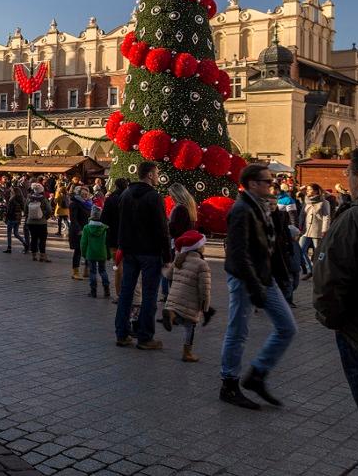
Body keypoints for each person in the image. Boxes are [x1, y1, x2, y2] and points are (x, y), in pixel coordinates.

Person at [313, 144, 358, 471]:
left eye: (348, 173)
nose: (346, 178)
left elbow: (329, 282)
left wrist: (333, 319)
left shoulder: (356, 219)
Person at [219, 163, 297, 410]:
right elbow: (239, 254)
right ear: (252, 184)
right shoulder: (242, 210)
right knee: (238, 331)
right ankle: (229, 384)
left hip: (264, 277)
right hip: (245, 278)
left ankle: (257, 374)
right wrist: (255, 288)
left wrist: (281, 275)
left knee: (287, 327)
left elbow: (270, 246)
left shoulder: (263, 207)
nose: (272, 185)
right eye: (267, 182)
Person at [114, 161, 170, 351]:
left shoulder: (125, 194)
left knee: (126, 293)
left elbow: (119, 223)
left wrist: (121, 246)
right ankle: (145, 337)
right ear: (149, 175)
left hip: (130, 251)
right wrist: (167, 255)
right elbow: (162, 228)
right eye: (156, 173)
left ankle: (122, 334)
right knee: (149, 295)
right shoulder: (154, 197)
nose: (158, 176)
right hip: (150, 253)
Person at [161, 230, 214, 363]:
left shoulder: (179, 259)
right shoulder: (202, 264)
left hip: (174, 299)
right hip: (190, 301)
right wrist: (205, 306)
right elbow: (205, 289)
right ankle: (187, 353)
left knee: (180, 317)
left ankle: (172, 315)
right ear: (199, 247)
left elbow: (168, 276)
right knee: (190, 327)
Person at [299, 183, 330, 281]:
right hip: (305, 230)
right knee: (300, 250)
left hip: (318, 230)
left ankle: (319, 272)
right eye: (307, 189)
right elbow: (302, 215)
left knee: (318, 253)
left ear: (316, 191)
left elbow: (326, 217)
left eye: (309, 189)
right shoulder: (306, 201)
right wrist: (299, 226)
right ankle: (311, 270)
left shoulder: (324, 202)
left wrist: (325, 230)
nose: (307, 191)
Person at [80, 205, 110, 298]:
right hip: (102, 253)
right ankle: (106, 289)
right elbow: (107, 243)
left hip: (91, 253)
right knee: (103, 271)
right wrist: (108, 254)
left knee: (92, 272)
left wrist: (83, 253)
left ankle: (93, 291)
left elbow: (83, 242)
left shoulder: (86, 228)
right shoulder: (105, 228)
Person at [69, 185, 92, 280]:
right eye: (83, 194)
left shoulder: (88, 203)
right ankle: (75, 272)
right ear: (79, 194)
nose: (85, 196)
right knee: (78, 251)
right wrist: (79, 230)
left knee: (87, 250)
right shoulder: (75, 203)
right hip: (79, 231)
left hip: (87, 229)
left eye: (87, 194)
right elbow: (73, 219)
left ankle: (87, 270)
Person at [25, 182, 52, 262]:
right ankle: (42, 256)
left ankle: (34, 256)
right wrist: (45, 217)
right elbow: (49, 210)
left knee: (33, 238)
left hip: (30, 222)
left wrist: (29, 216)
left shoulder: (29, 199)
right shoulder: (43, 199)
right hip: (41, 222)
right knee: (42, 239)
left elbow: (25, 210)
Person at [2, 184, 26, 254]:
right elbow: (23, 209)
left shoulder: (12, 199)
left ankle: (9, 247)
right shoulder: (21, 199)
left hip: (11, 218)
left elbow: (9, 210)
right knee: (16, 233)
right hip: (18, 218)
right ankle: (24, 243)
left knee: (9, 233)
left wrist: (6, 218)